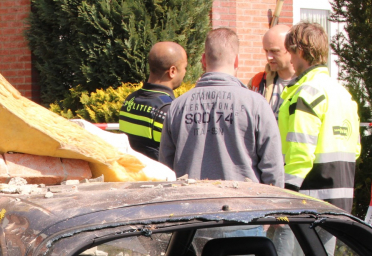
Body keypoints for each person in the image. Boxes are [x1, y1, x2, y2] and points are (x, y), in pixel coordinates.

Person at [159, 28, 284, 187]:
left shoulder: (177, 107)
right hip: (245, 206)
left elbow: (165, 170)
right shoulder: (257, 105)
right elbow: (273, 169)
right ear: (237, 61)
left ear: (203, 60)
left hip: (191, 205)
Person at [279, 22, 361, 213]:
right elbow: (355, 149)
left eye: (290, 53)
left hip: (308, 201)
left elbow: (301, 150)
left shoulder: (307, 93)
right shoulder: (343, 95)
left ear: (299, 51)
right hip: (341, 200)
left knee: (283, 244)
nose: (290, 60)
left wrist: (285, 196)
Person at [118, 42, 187, 160]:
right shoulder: (169, 108)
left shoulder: (129, 100)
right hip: (159, 177)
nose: (185, 72)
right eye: (184, 68)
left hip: (131, 174)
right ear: (172, 71)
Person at [248, 24, 295, 115]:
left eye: (274, 51)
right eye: (266, 51)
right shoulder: (258, 82)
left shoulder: (307, 84)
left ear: (291, 49)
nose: (269, 57)